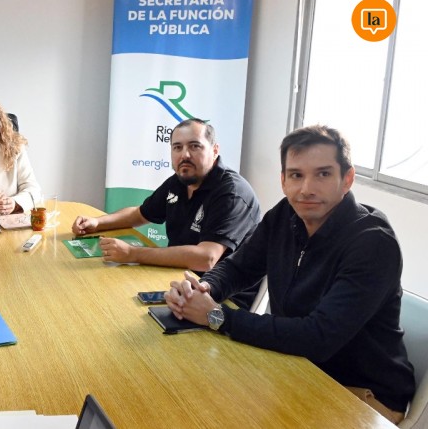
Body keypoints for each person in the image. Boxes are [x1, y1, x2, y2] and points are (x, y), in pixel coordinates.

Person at [165, 125, 415, 424]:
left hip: (362, 394)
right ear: (283, 180)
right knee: (191, 397)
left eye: (323, 174)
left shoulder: (373, 243)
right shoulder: (285, 215)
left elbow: (318, 338)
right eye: (296, 175)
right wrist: (202, 290)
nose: (307, 188)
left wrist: (216, 317)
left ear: (347, 179)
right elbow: (239, 267)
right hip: (295, 365)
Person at [72, 118, 262, 309]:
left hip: (222, 300)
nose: (184, 155)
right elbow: (139, 214)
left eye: (194, 146)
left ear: (214, 150)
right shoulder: (180, 181)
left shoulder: (232, 193)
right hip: (179, 279)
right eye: (177, 147)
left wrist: (132, 253)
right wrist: (98, 223)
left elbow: (206, 258)